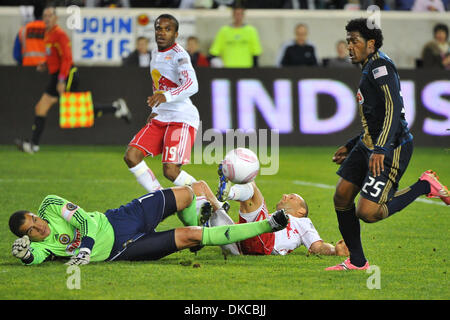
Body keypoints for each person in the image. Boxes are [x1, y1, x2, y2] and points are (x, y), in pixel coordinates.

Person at [326, 18, 450, 271]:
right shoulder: (368, 67)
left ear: (370, 44)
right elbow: (374, 117)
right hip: (368, 145)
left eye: (355, 41)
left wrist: (381, 148)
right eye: (348, 41)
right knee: (341, 196)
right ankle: (357, 261)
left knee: (368, 212)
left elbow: (393, 109)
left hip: (393, 147)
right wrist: (352, 145)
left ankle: (425, 184)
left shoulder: (380, 66)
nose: (350, 46)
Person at [8, 185, 290, 266]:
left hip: (120, 218)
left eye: (34, 220)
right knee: (192, 236)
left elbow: (82, 220)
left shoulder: (50, 204)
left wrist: (85, 248)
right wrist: (26, 256)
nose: (38, 227)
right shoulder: (40, 245)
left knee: (188, 193)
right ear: (28, 237)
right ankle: (268, 225)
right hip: (124, 249)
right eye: (30, 231)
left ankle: (198, 217)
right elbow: (37, 258)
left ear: (35, 212)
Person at [14, 6, 132, 154]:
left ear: (56, 18)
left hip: (67, 75)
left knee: (78, 112)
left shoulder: (60, 35)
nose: (47, 18)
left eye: (50, 15)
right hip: (56, 75)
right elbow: (54, 56)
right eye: (45, 16)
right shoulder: (47, 35)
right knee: (40, 108)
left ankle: (116, 108)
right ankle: (33, 145)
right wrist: (46, 64)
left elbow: (67, 58)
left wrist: (62, 80)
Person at [124, 14, 199, 193]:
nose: (162, 32)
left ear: (176, 34)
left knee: (171, 171)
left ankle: (210, 200)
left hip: (181, 117)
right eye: (159, 28)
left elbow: (192, 84)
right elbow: (159, 84)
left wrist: (167, 96)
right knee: (132, 156)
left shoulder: (179, 55)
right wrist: (157, 107)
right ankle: (160, 197)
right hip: (162, 116)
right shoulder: (156, 52)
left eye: (167, 29)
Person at [190, 173, 350, 257]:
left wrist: (334, 251)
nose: (285, 195)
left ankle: (227, 194)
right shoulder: (272, 215)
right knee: (199, 186)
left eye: (292, 197)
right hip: (235, 239)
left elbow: (317, 246)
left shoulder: (302, 222)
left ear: (301, 211)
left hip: (264, 240)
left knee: (251, 184)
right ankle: (201, 228)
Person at [13, 1, 46, 66]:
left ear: (33, 14)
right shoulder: (49, 30)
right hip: (46, 69)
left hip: (27, 69)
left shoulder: (23, 30)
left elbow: (16, 55)